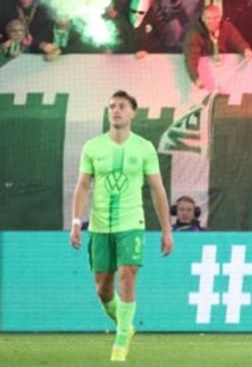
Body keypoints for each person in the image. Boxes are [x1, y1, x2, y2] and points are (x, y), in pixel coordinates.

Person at [69, 90, 173, 362]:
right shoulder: (93, 147)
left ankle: (120, 341)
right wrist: (76, 222)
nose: (115, 110)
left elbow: (157, 189)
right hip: (100, 226)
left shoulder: (144, 147)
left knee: (128, 274)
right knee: (103, 288)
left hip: (131, 222)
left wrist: (166, 230)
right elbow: (82, 186)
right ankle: (126, 326)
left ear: (132, 112)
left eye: (121, 106)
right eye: (112, 106)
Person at [182, 3, 252, 89]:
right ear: (203, 18)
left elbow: (238, 41)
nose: (212, 22)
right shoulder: (194, 33)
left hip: (224, 71)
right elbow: (191, 57)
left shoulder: (227, 27)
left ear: (220, 18)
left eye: (215, 18)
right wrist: (196, 78)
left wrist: (245, 50)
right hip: (204, 71)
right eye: (208, 18)